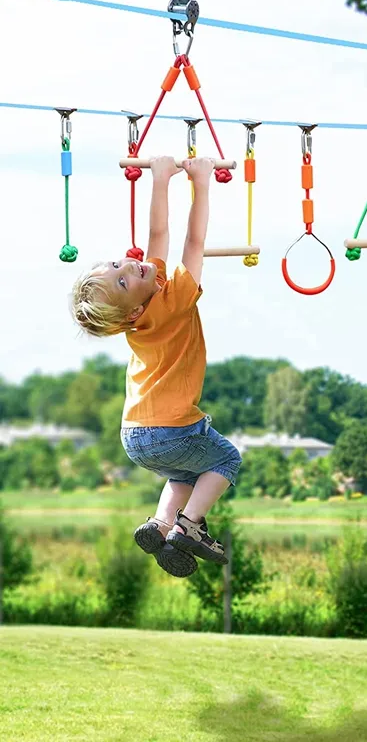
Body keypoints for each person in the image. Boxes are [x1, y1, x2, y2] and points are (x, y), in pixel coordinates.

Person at [69, 156, 241, 578]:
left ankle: (161, 523)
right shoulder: (175, 297)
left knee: (186, 473)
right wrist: (200, 183)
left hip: (134, 434)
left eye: (117, 266)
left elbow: (157, 235)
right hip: (170, 428)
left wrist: (161, 178)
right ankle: (189, 526)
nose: (129, 266)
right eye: (123, 280)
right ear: (130, 311)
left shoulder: (144, 310)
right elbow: (192, 242)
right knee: (225, 459)